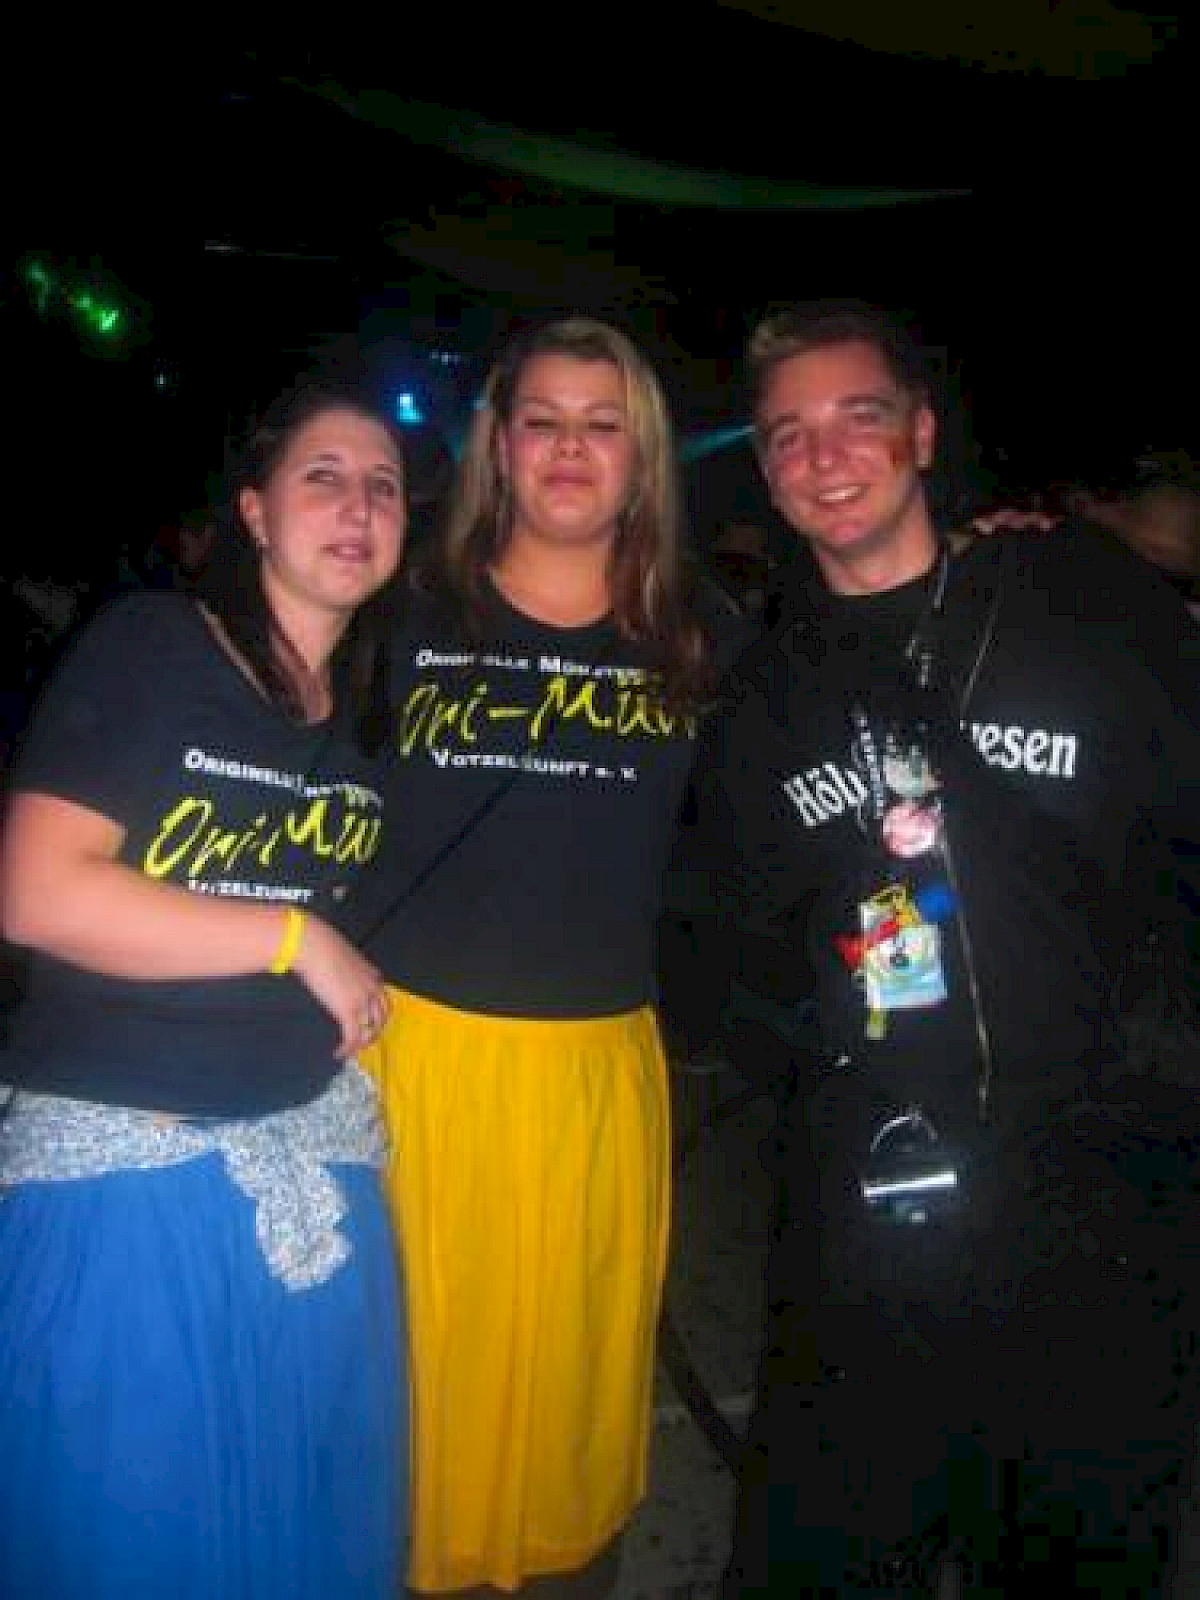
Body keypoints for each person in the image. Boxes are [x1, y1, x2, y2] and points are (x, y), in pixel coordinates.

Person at [684, 302, 1199, 1594]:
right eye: (788, 433)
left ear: (919, 433)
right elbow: (725, 936)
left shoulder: (1081, 603)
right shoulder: (761, 695)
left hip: (1096, 1179)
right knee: (829, 1548)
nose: (823, 456)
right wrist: (833, 1065)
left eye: (857, 416)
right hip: (874, 1197)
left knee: (1077, 1545)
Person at [0, 383, 409, 1598]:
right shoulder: (157, 643)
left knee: (310, 1536)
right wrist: (295, 938)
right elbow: (35, 891)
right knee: (138, 1540)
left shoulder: (365, 718)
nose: (357, 506)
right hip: (130, 1173)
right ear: (255, 511)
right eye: (323, 477)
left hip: (313, 1162)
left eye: (384, 487)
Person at [358, 318, 718, 1597]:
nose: (571, 447)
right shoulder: (397, 615)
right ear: (499, 448)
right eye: (544, 420)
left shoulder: (702, 639)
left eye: (603, 424)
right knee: (403, 1395)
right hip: (407, 1062)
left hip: (589, 1077)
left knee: (561, 1401)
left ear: (642, 458)